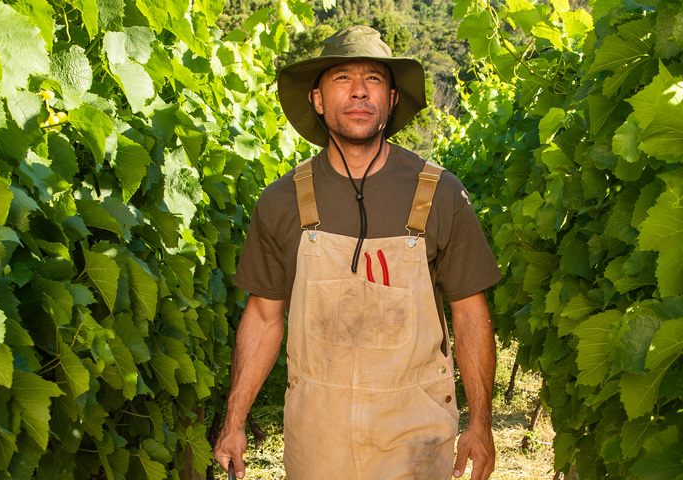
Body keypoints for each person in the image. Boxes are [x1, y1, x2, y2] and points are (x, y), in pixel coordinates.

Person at [211, 25, 503, 480]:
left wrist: (481, 425)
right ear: (317, 99)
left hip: (415, 440)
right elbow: (264, 317)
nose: (359, 92)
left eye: (374, 80)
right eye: (342, 78)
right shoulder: (282, 199)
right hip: (316, 441)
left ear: (391, 99)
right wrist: (233, 422)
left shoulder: (440, 194)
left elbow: (469, 316)